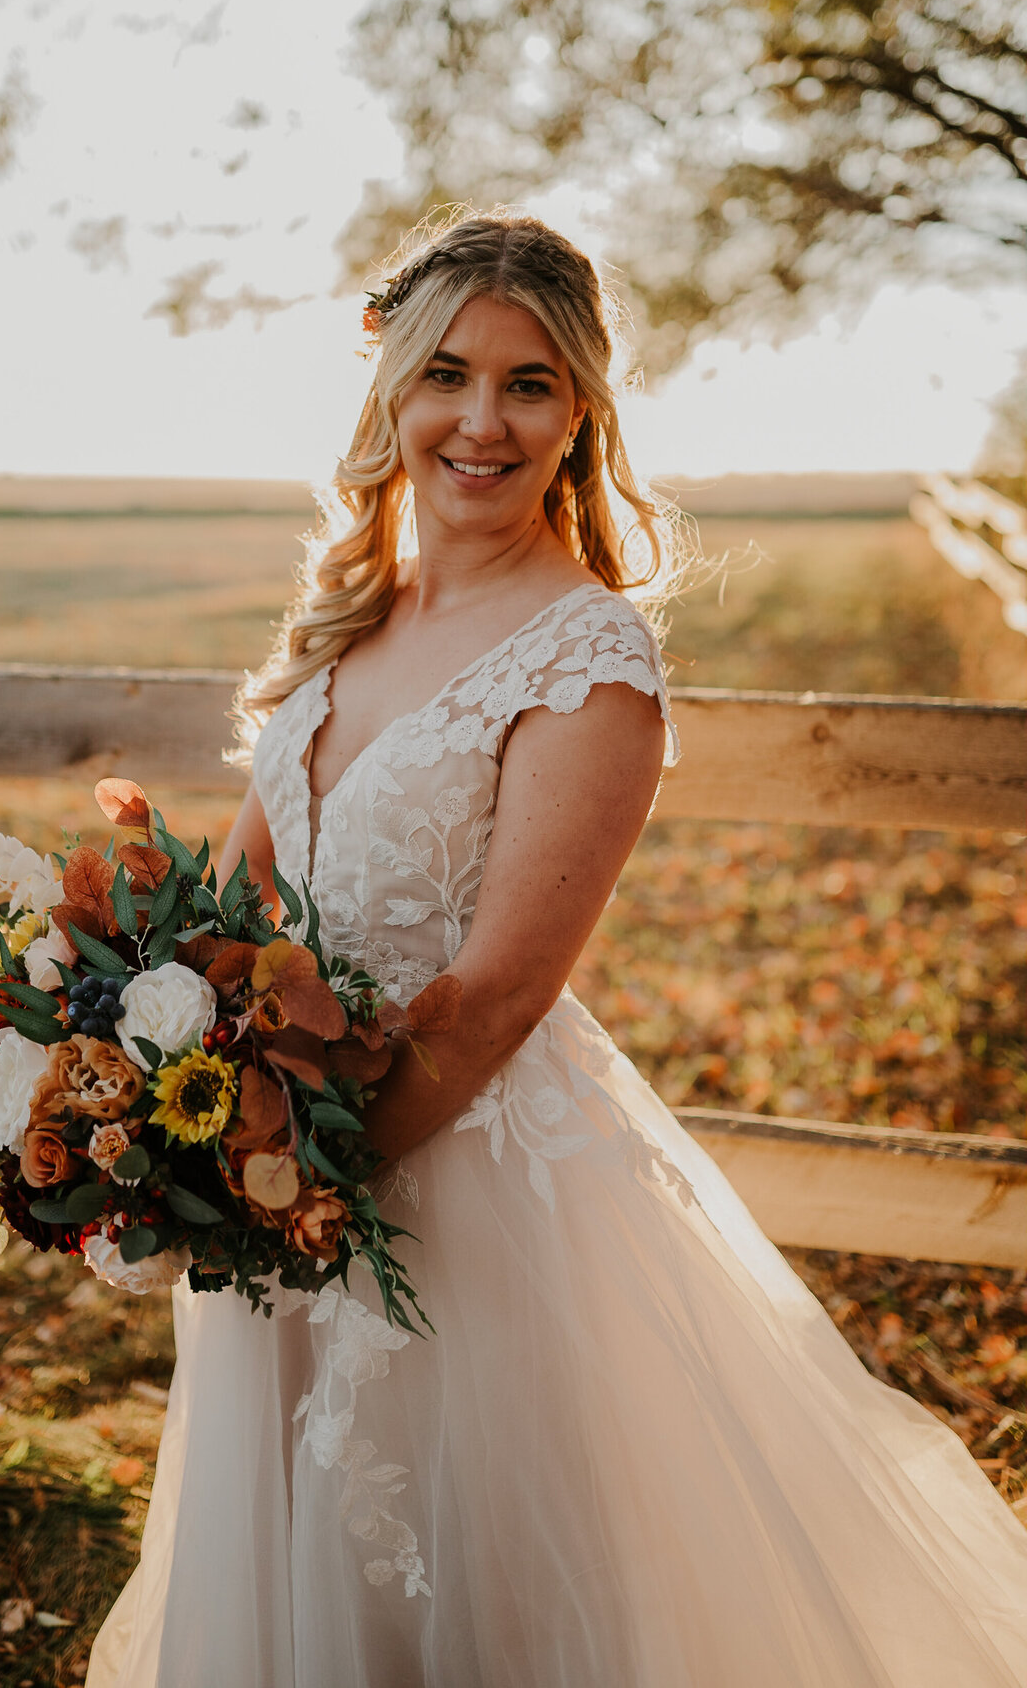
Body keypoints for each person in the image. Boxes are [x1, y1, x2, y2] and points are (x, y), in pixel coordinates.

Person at [87, 212, 1027, 1688]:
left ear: (581, 411)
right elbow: (225, 913)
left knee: (490, 1597)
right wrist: (120, 1104)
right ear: (391, 396)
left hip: (463, 1189)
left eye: (529, 384)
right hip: (275, 1163)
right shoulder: (349, 625)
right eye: (446, 375)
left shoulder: (588, 658)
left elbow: (498, 996)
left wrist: (286, 1200)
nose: (481, 420)